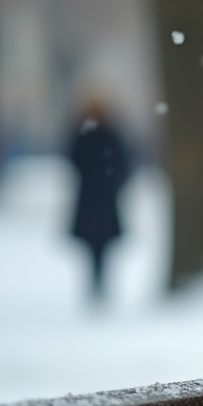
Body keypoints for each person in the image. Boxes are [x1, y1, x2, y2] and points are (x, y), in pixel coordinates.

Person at [66, 94, 130, 303]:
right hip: (105, 201)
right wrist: (112, 185)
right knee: (101, 248)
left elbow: (73, 162)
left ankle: (96, 285)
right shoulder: (112, 136)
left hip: (88, 200)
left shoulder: (82, 136)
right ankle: (99, 286)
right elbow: (124, 167)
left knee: (93, 248)